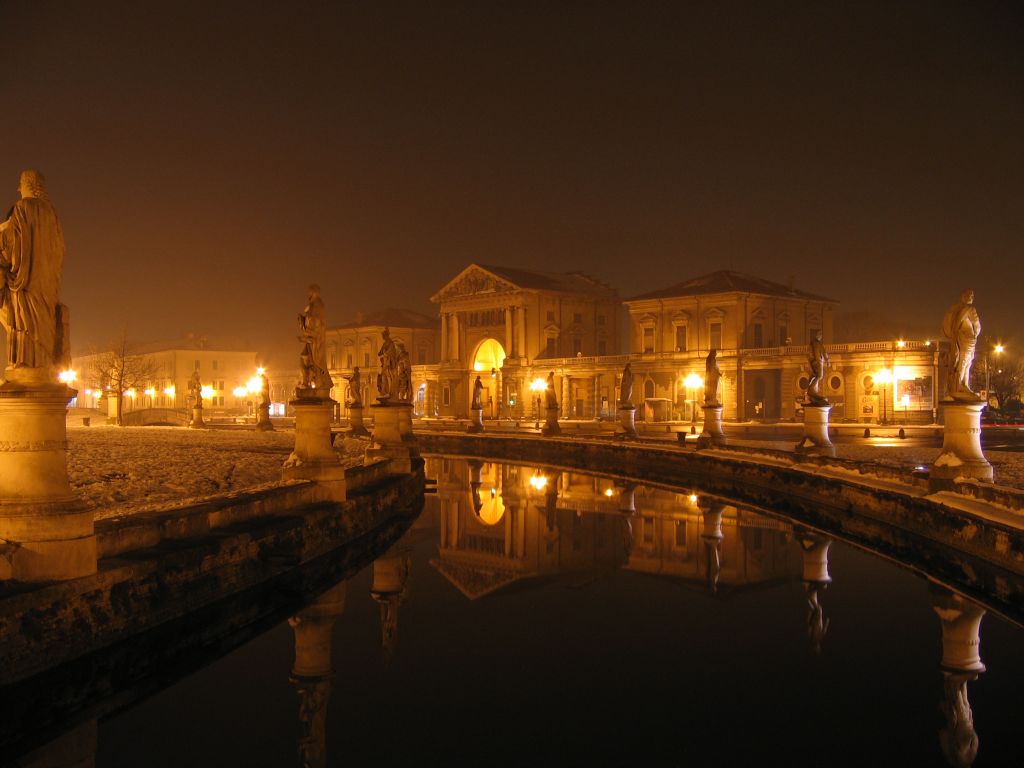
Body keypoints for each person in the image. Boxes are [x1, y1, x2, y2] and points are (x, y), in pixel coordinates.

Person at [0, 170, 66, 371]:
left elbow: (12, 247)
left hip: (25, 284)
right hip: (47, 284)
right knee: (43, 320)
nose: (18, 188)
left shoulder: (22, 208)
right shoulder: (52, 213)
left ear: (28, 184)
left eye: (21, 183)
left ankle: (26, 365)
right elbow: (61, 249)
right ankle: (43, 366)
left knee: (22, 320)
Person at [942, 289, 981, 400]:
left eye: (972, 295)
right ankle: (958, 384)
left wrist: (974, 334)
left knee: (967, 361)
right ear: (963, 297)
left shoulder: (962, 309)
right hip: (965, 339)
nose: (971, 297)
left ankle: (964, 385)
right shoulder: (967, 309)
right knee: (964, 360)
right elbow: (960, 324)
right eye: (969, 295)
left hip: (968, 339)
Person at [298, 285, 332, 393]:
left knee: (313, 361)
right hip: (311, 339)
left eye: (309, 292)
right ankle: (306, 381)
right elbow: (310, 321)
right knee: (305, 359)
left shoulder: (318, 305)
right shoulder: (313, 305)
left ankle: (317, 381)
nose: (308, 294)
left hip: (315, 340)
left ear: (314, 292)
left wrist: (308, 326)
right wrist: (302, 320)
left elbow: (317, 322)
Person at [806, 330, 830, 405]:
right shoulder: (818, 344)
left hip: (814, 361)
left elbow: (809, 353)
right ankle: (811, 390)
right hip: (818, 361)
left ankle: (813, 391)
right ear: (817, 335)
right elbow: (824, 352)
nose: (821, 336)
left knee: (815, 375)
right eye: (820, 335)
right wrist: (827, 361)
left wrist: (811, 361)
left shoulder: (812, 343)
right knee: (820, 375)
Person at [377, 327, 398, 401]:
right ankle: (384, 391)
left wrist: (385, 354)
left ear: (386, 335)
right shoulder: (385, 343)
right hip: (384, 362)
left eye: (383, 336)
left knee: (388, 376)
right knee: (383, 376)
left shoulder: (390, 343)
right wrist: (381, 354)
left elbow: (390, 352)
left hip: (389, 362)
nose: (382, 337)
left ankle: (389, 391)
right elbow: (380, 353)